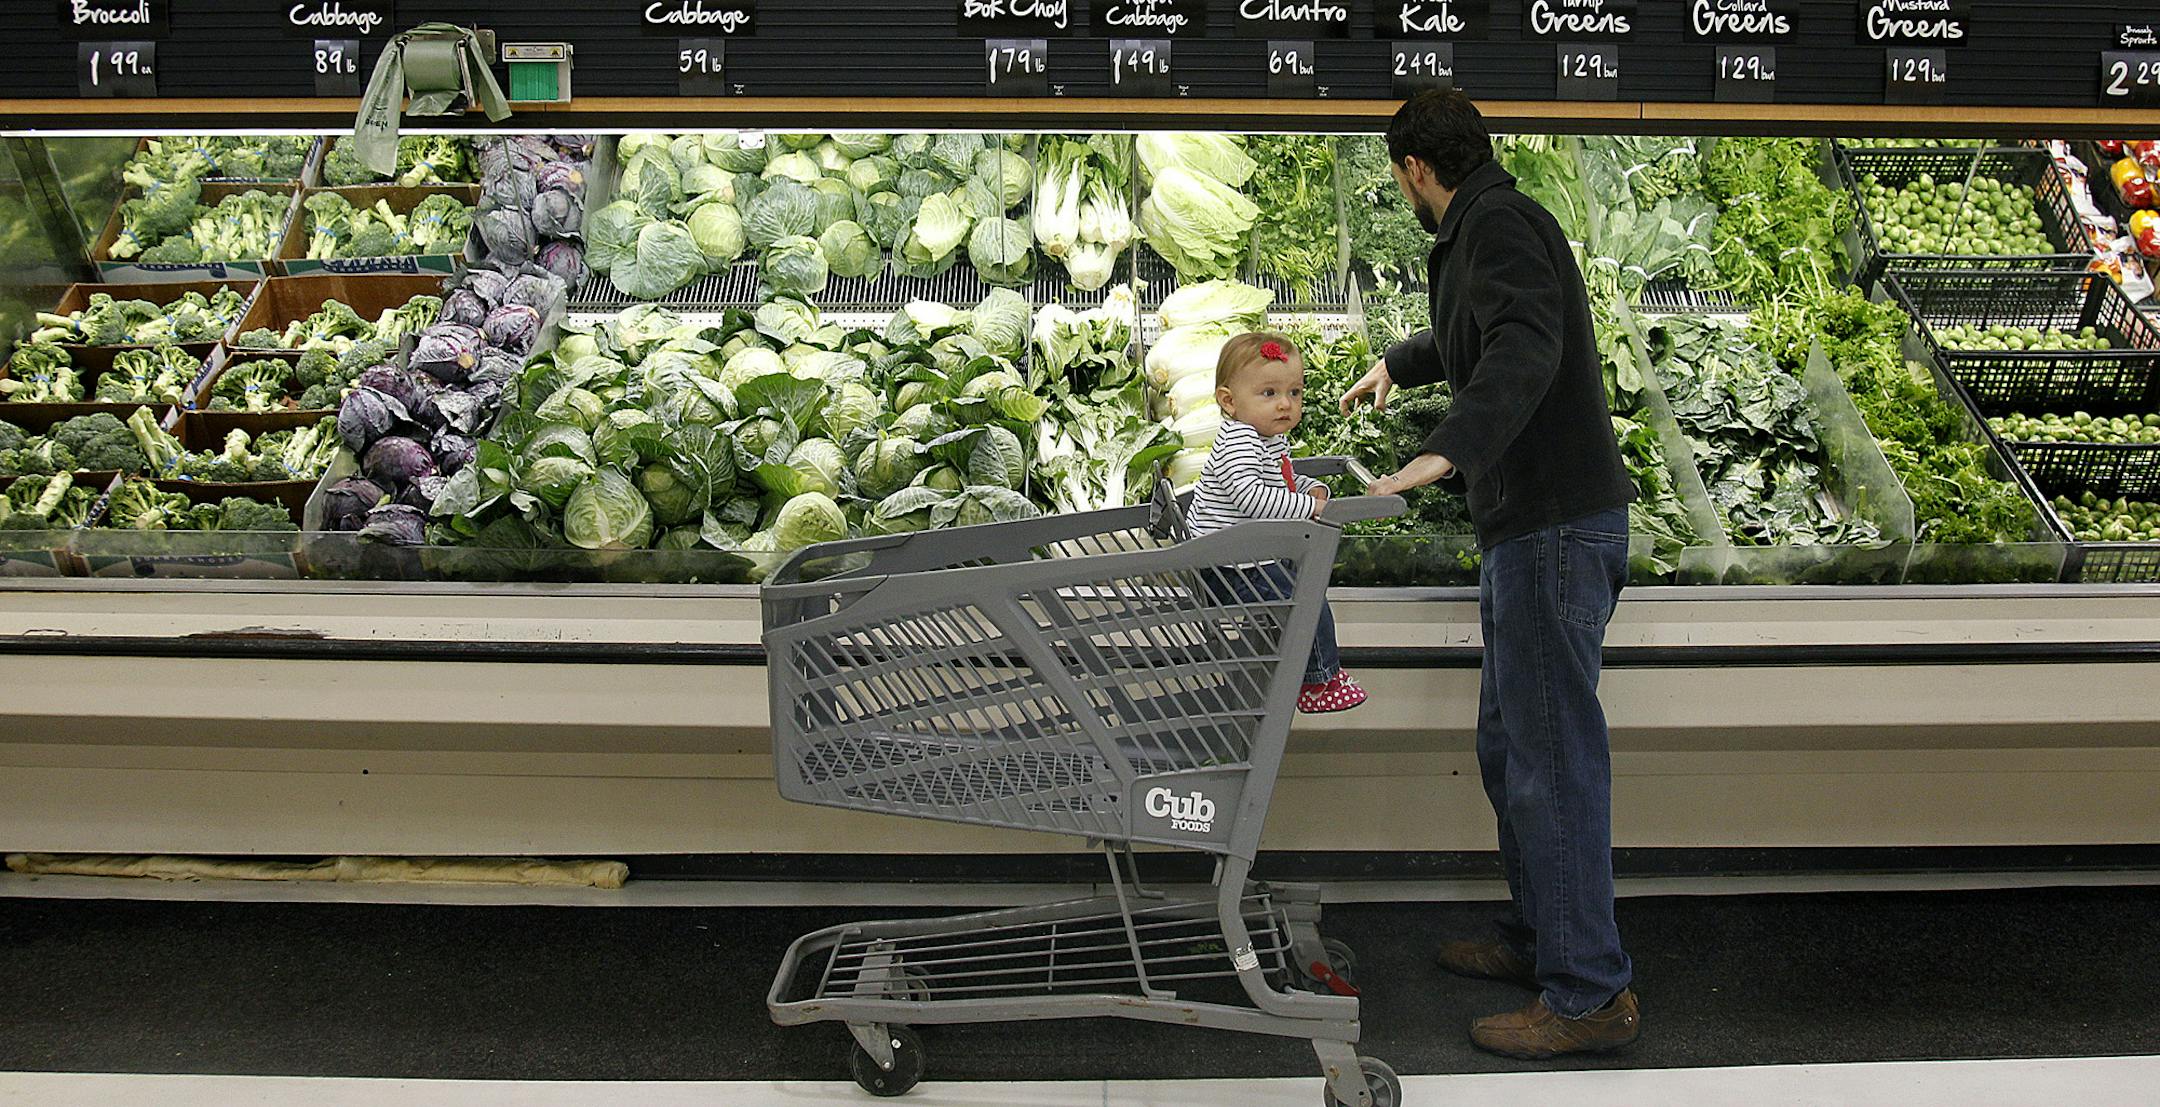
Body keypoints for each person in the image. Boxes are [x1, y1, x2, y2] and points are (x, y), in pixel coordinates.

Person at [1341, 90, 1641, 1059]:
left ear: (1414, 172)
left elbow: (1523, 347)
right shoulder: (1488, 223)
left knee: (1551, 762)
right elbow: (1483, 332)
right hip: (1532, 532)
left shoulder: (1501, 226)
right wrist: (1404, 362)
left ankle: (1590, 992)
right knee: (1512, 750)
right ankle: (1541, 942)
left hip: (1554, 529)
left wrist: (1445, 452)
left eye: (1400, 182)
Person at [1190, 331, 1366, 714]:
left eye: (1295, 393)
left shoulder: (1264, 438)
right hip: (1228, 569)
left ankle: (1317, 673)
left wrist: (1309, 486)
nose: (1285, 404)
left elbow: (1277, 481)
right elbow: (1251, 496)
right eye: (1269, 394)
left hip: (1244, 558)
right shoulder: (1240, 441)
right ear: (1229, 402)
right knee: (1305, 601)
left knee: (1305, 590)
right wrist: (1309, 508)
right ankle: (1320, 681)